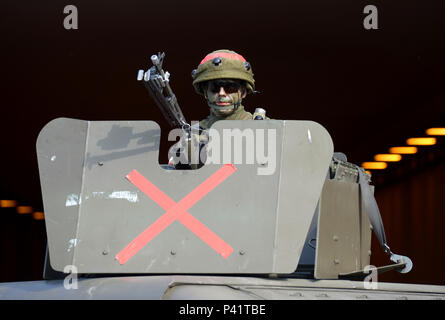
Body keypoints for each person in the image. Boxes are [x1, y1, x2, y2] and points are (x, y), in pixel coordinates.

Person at [169, 49, 267, 168]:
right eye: (215, 88)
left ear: (244, 92)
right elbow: (175, 165)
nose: (221, 93)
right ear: (206, 93)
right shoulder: (195, 133)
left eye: (230, 88)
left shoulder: (263, 126)